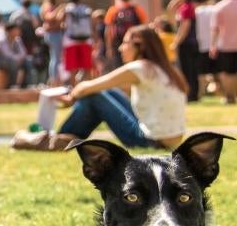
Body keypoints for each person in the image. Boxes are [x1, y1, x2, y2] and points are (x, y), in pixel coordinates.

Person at [12, 25, 187, 151]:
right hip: (166, 140)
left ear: (139, 45)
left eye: (125, 43)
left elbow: (87, 86)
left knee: (94, 96)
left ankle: (55, 140)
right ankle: (61, 139)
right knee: (106, 93)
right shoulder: (163, 69)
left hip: (151, 142)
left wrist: (71, 99)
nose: (120, 48)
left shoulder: (140, 68)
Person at [168, 0, 200, 101]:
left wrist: (176, 42)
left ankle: (191, 95)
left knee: (188, 70)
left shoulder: (187, 8)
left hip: (187, 43)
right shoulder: (182, 8)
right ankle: (191, 94)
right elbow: (170, 12)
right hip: (187, 43)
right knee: (187, 69)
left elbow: (185, 26)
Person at [103, 0, 147, 70]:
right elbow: (144, 27)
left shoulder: (113, 10)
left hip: (117, 42)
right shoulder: (137, 9)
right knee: (135, 65)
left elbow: (108, 31)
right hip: (134, 42)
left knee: (119, 67)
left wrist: (108, 47)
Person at [62, 0, 93, 86]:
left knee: (73, 68)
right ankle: (87, 89)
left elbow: (61, 22)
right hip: (86, 40)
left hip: (71, 42)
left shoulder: (68, 9)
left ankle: (73, 89)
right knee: (87, 67)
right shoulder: (86, 9)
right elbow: (92, 23)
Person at [0, 21, 31, 88]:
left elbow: (23, 53)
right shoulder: (0, 40)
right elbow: (7, 55)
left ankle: (25, 84)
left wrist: (20, 59)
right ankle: (12, 85)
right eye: (16, 30)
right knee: (12, 62)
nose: (18, 31)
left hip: (13, 60)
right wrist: (19, 59)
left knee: (29, 61)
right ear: (10, 31)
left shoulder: (17, 39)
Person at [40, 0, 66, 84]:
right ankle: (54, 80)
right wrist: (59, 8)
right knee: (56, 58)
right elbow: (49, 17)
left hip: (57, 33)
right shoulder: (47, 5)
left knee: (58, 58)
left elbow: (58, 19)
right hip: (52, 34)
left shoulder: (53, 6)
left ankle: (57, 79)